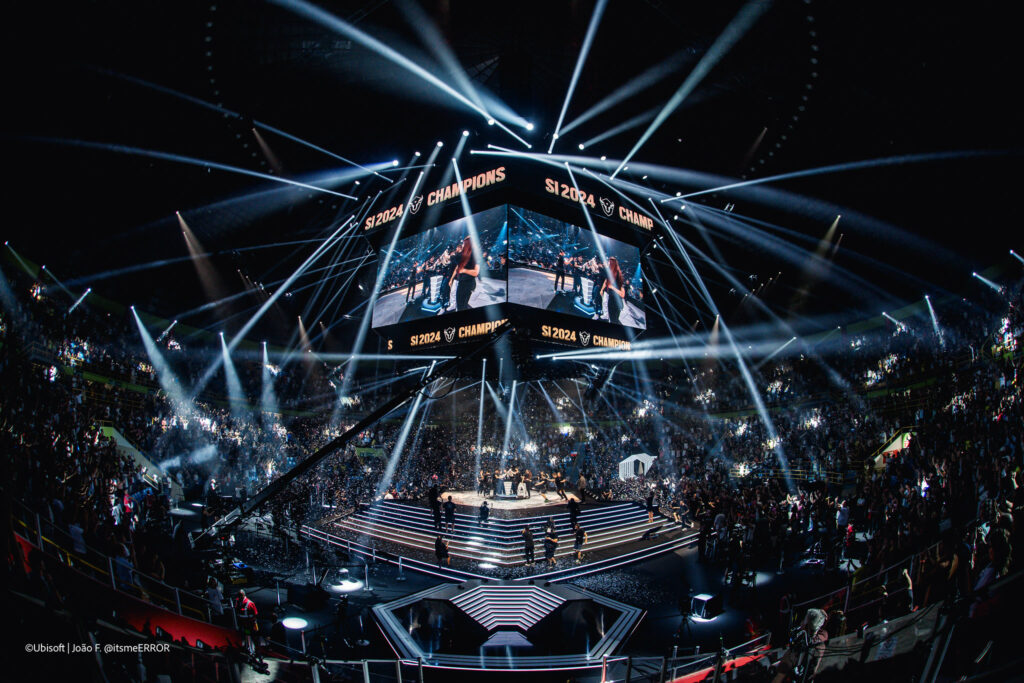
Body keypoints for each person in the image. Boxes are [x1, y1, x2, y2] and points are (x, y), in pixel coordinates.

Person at [450, 237, 479, 311]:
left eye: (464, 243)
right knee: (463, 304)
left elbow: (475, 273)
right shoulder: (469, 255)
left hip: (465, 285)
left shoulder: (468, 255)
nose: (462, 245)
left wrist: (464, 270)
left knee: (461, 306)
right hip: (468, 284)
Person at [599, 257, 626, 324]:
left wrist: (612, 288)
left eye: (609, 262)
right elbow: (606, 281)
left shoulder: (617, 274)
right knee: (606, 306)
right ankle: (607, 317)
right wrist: (602, 289)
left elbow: (622, 294)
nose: (608, 263)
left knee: (614, 317)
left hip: (615, 299)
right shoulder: (610, 272)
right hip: (610, 295)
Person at [237, 589, 259, 655]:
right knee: (247, 635)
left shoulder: (250, 603)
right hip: (244, 625)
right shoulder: (238, 602)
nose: (240, 597)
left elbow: (255, 614)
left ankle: (257, 651)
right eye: (239, 596)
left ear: (244, 595)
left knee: (254, 637)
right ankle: (248, 649)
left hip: (251, 624)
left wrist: (254, 623)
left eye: (241, 595)